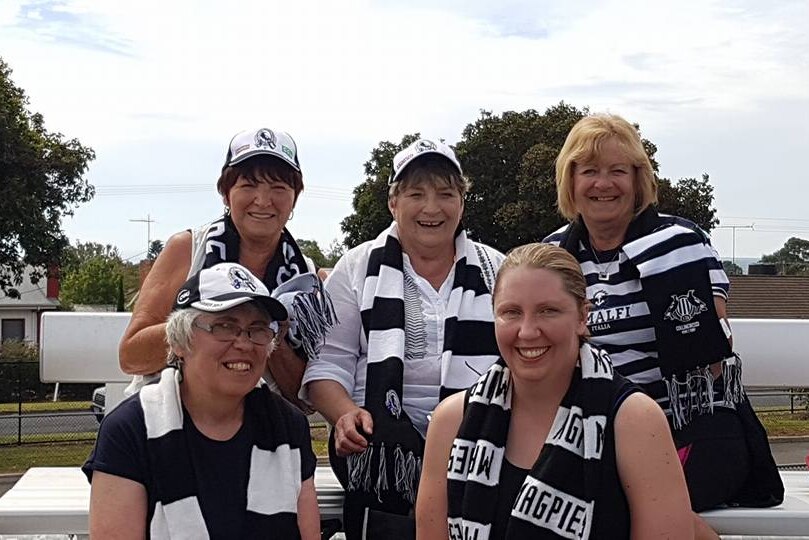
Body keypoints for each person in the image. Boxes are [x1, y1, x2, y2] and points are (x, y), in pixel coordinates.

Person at [544, 114, 782, 528]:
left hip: (687, 428)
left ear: (638, 179)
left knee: (624, 503)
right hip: (584, 432)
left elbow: (712, 353)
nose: (604, 184)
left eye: (618, 170)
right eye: (590, 172)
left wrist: (642, 431)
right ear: (571, 180)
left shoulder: (683, 242)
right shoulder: (552, 256)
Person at [417, 243, 693, 539]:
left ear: (582, 317)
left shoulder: (634, 421)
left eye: (548, 311)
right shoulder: (452, 421)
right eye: (511, 312)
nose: (527, 331)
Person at [301, 139, 504, 538]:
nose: (432, 208)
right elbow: (327, 363)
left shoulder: (497, 268)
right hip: (381, 463)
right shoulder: (356, 267)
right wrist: (344, 415)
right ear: (394, 202)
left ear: (462, 203)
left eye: (446, 194)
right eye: (416, 194)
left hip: (481, 452)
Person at [83, 262, 320, 539]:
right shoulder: (130, 429)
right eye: (224, 326)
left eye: (257, 329)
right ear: (180, 341)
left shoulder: (287, 426)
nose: (244, 343)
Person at [119, 127, 335, 409]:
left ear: (295, 197)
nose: (262, 200)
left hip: (262, 434)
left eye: (279, 188)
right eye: (248, 185)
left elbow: (303, 398)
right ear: (225, 193)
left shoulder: (303, 275)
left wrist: (272, 332)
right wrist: (209, 322)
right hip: (173, 423)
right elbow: (131, 355)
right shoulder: (188, 248)